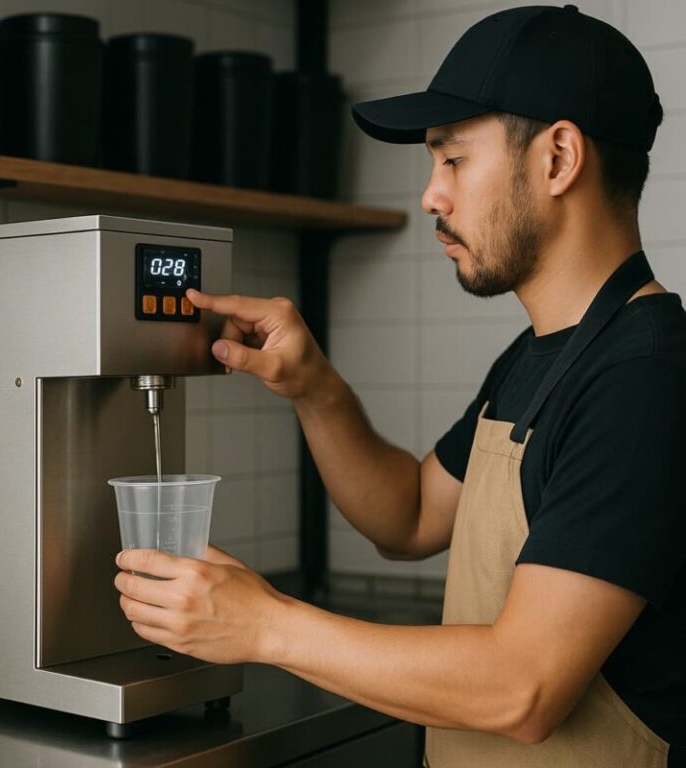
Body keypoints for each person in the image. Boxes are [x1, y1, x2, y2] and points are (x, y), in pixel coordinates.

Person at [114, 5, 685, 766]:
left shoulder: (644, 379)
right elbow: (411, 517)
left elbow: (525, 686)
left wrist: (266, 625)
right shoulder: (541, 355)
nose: (431, 196)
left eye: (452, 160)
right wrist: (314, 387)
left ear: (557, 159)